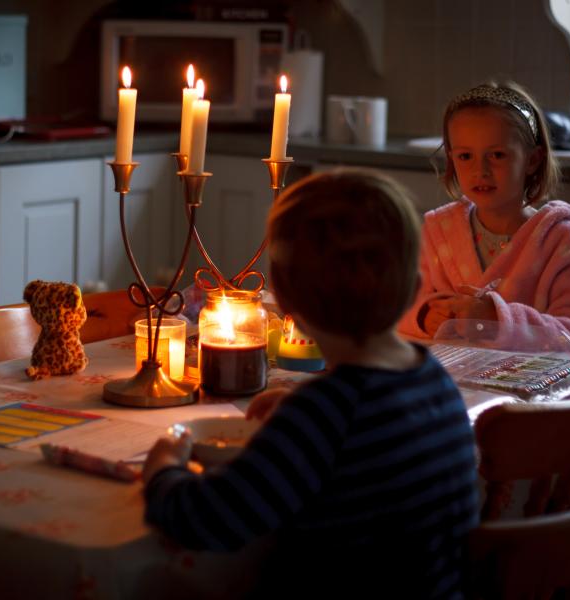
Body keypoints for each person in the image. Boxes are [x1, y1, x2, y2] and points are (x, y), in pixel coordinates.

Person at [142, 168, 479, 598]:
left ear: (285, 303)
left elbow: (210, 519)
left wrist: (163, 466)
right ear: (414, 290)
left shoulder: (326, 413)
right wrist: (302, 407)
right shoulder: (433, 380)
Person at [398, 81, 570, 352]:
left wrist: (498, 320)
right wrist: (425, 315)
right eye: (465, 156)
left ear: (532, 160)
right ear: (451, 159)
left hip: (535, 391)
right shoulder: (437, 232)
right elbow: (400, 303)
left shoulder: (564, 242)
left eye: (497, 155)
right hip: (453, 385)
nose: (480, 170)